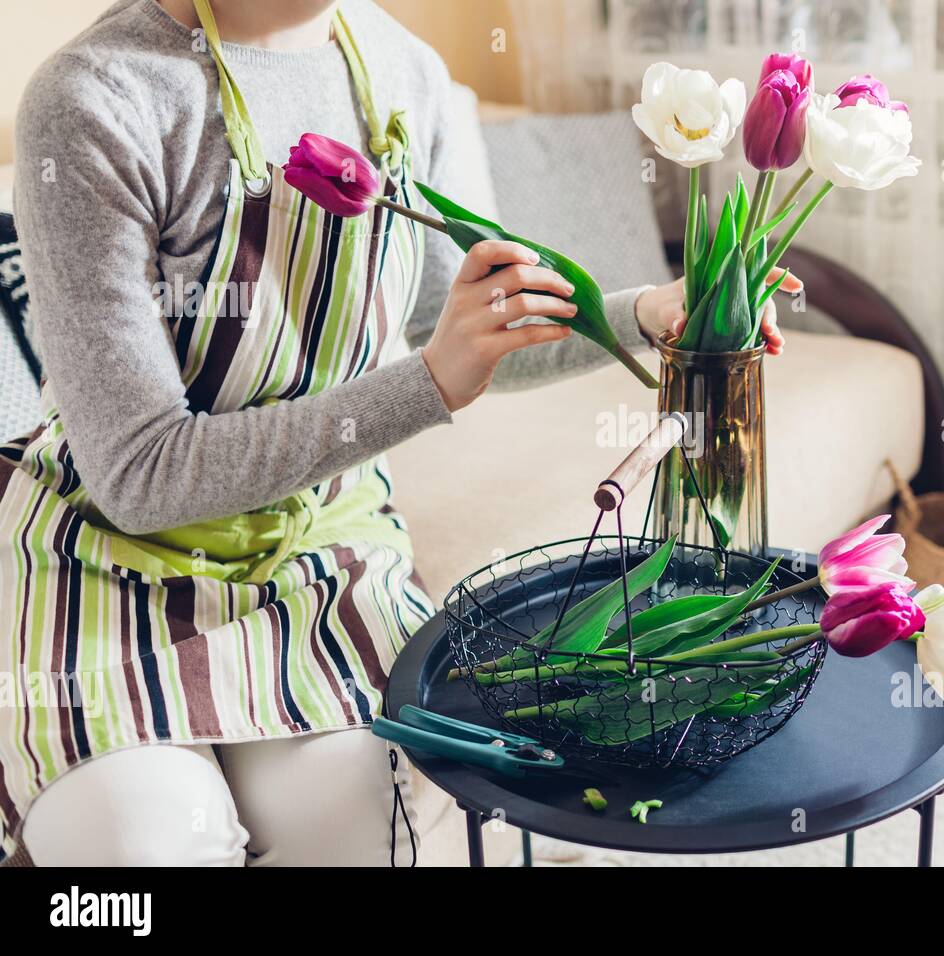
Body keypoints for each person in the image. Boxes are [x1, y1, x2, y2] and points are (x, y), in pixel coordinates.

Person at [0, 0, 789, 866]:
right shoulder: (94, 98)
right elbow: (140, 474)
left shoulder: (406, 74)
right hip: (107, 570)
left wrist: (646, 312)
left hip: (319, 555)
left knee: (367, 827)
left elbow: (480, 329)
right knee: (139, 843)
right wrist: (427, 384)